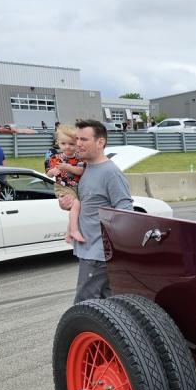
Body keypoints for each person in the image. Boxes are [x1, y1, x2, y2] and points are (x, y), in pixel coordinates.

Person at [58, 120, 133, 303]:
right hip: (88, 250)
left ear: (100, 143)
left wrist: (111, 252)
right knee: (107, 307)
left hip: (99, 255)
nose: (78, 144)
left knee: (84, 306)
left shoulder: (111, 173)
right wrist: (67, 203)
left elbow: (125, 212)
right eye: (77, 139)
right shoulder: (86, 169)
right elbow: (86, 203)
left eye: (84, 139)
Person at [47, 124, 86, 244]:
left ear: (77, 144)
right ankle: (74, 231)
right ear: (58, 143)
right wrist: (53, 171)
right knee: (76, 205)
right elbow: (49, 173)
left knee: (76, 209)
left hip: (76, 186)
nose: (67, 147)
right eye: (63, 144)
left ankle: (68, 234)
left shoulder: (79, 158)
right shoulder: (55, 158)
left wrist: (68, 167)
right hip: (62, 187)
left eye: (71, 144)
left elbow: (81, 171)